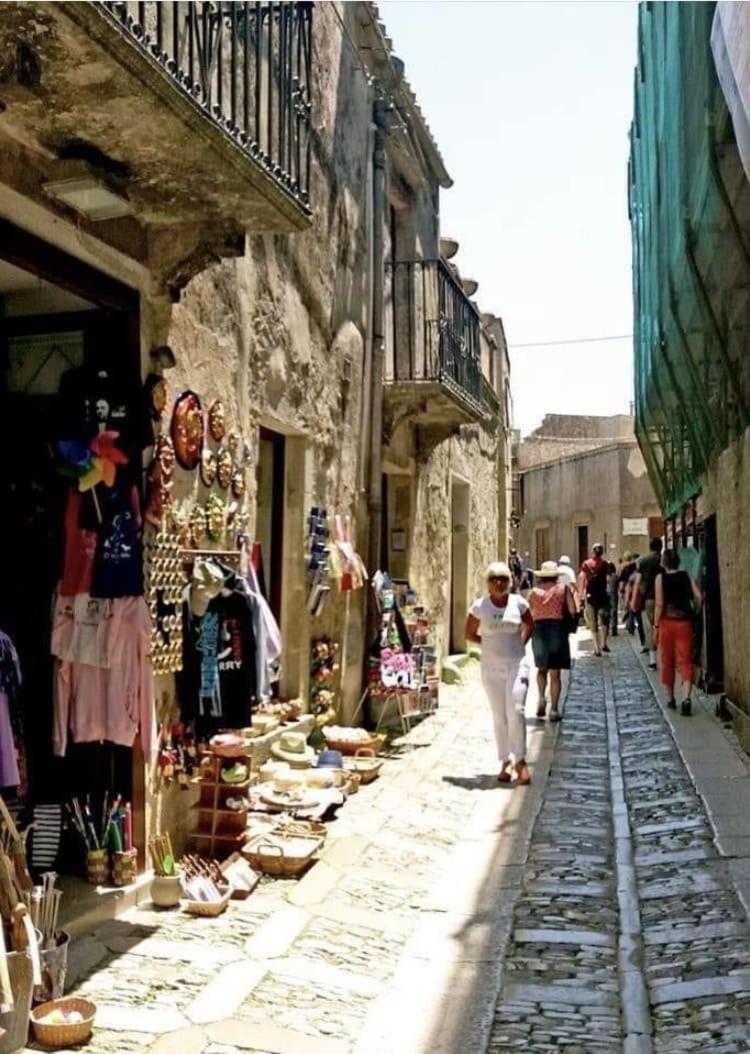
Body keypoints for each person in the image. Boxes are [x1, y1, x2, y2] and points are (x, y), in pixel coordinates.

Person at [466, 561, 534, 785]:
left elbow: (529, 625)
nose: (499, 583)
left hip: (516, 664)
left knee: (516, 709)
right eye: (494, 579)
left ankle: (520, 759)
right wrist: (488, 646)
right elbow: (470, 634)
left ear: (510, 581)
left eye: (503, 579)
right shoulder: (480, 606)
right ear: (488, 583)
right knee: (499, 715)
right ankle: (505, 760)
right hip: (491, 668)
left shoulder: (519, 603)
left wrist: (519, 645)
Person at [653, 549, 703, 715]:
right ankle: (686, 698)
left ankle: (671, 699)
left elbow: (659, 604)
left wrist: (655, 626)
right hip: (684, 623)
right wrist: (696, 611)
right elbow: (699, 597)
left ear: (664, 562)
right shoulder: (686, 575)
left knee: (667, 660)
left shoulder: (660, 578)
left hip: (667, 623)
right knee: (685, 660)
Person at [528, 561, 577, 722]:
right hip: (557, 630)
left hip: (539, 630)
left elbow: (528, 612)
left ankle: (542, 697)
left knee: (541, 668)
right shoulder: (563, 589)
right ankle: (554, 709)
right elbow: (572, 609)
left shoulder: (533, 592)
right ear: (555, 576)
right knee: (555, 673)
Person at [633, 538, 664, 669]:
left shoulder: (643, 561)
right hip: (665, 598)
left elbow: (637, 582)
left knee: (649, 628)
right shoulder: (664, 559)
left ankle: (653, 660)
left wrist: (633, 600)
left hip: (649, 599)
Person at [577, 543, 611, 656]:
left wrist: (580, 595)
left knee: (593, 622)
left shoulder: (586, 564)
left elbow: (581, 579)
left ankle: (597, 649)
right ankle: (604, 643)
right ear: (602, 552)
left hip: (591, 596)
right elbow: (609, 579)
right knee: (605, 620)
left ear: (593, 552)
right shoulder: (606, 564)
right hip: (603, 594)